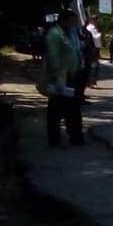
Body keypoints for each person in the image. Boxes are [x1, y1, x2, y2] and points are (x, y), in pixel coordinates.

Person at [45, 10, 84, 147]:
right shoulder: (55, 34)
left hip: (72, 76)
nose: (74, 24)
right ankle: (54, 140)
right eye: (72, 21)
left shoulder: (70, 33)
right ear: (64, 20)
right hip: (60, 76)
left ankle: (75, 136)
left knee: (73, 108)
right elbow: (53, 57)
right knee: (56, 110)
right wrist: (57, 76)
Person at [86, 15, 102, 87]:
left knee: (96, 66)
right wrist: (99, 35)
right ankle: (91, 82)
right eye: (96, 20)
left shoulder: (95, 28)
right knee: (93, 66)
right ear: (92, 20)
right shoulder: (90, 28)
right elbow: (93, 38)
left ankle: (93, 81)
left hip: (96, 48)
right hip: (93, 49)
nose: (97, 22)